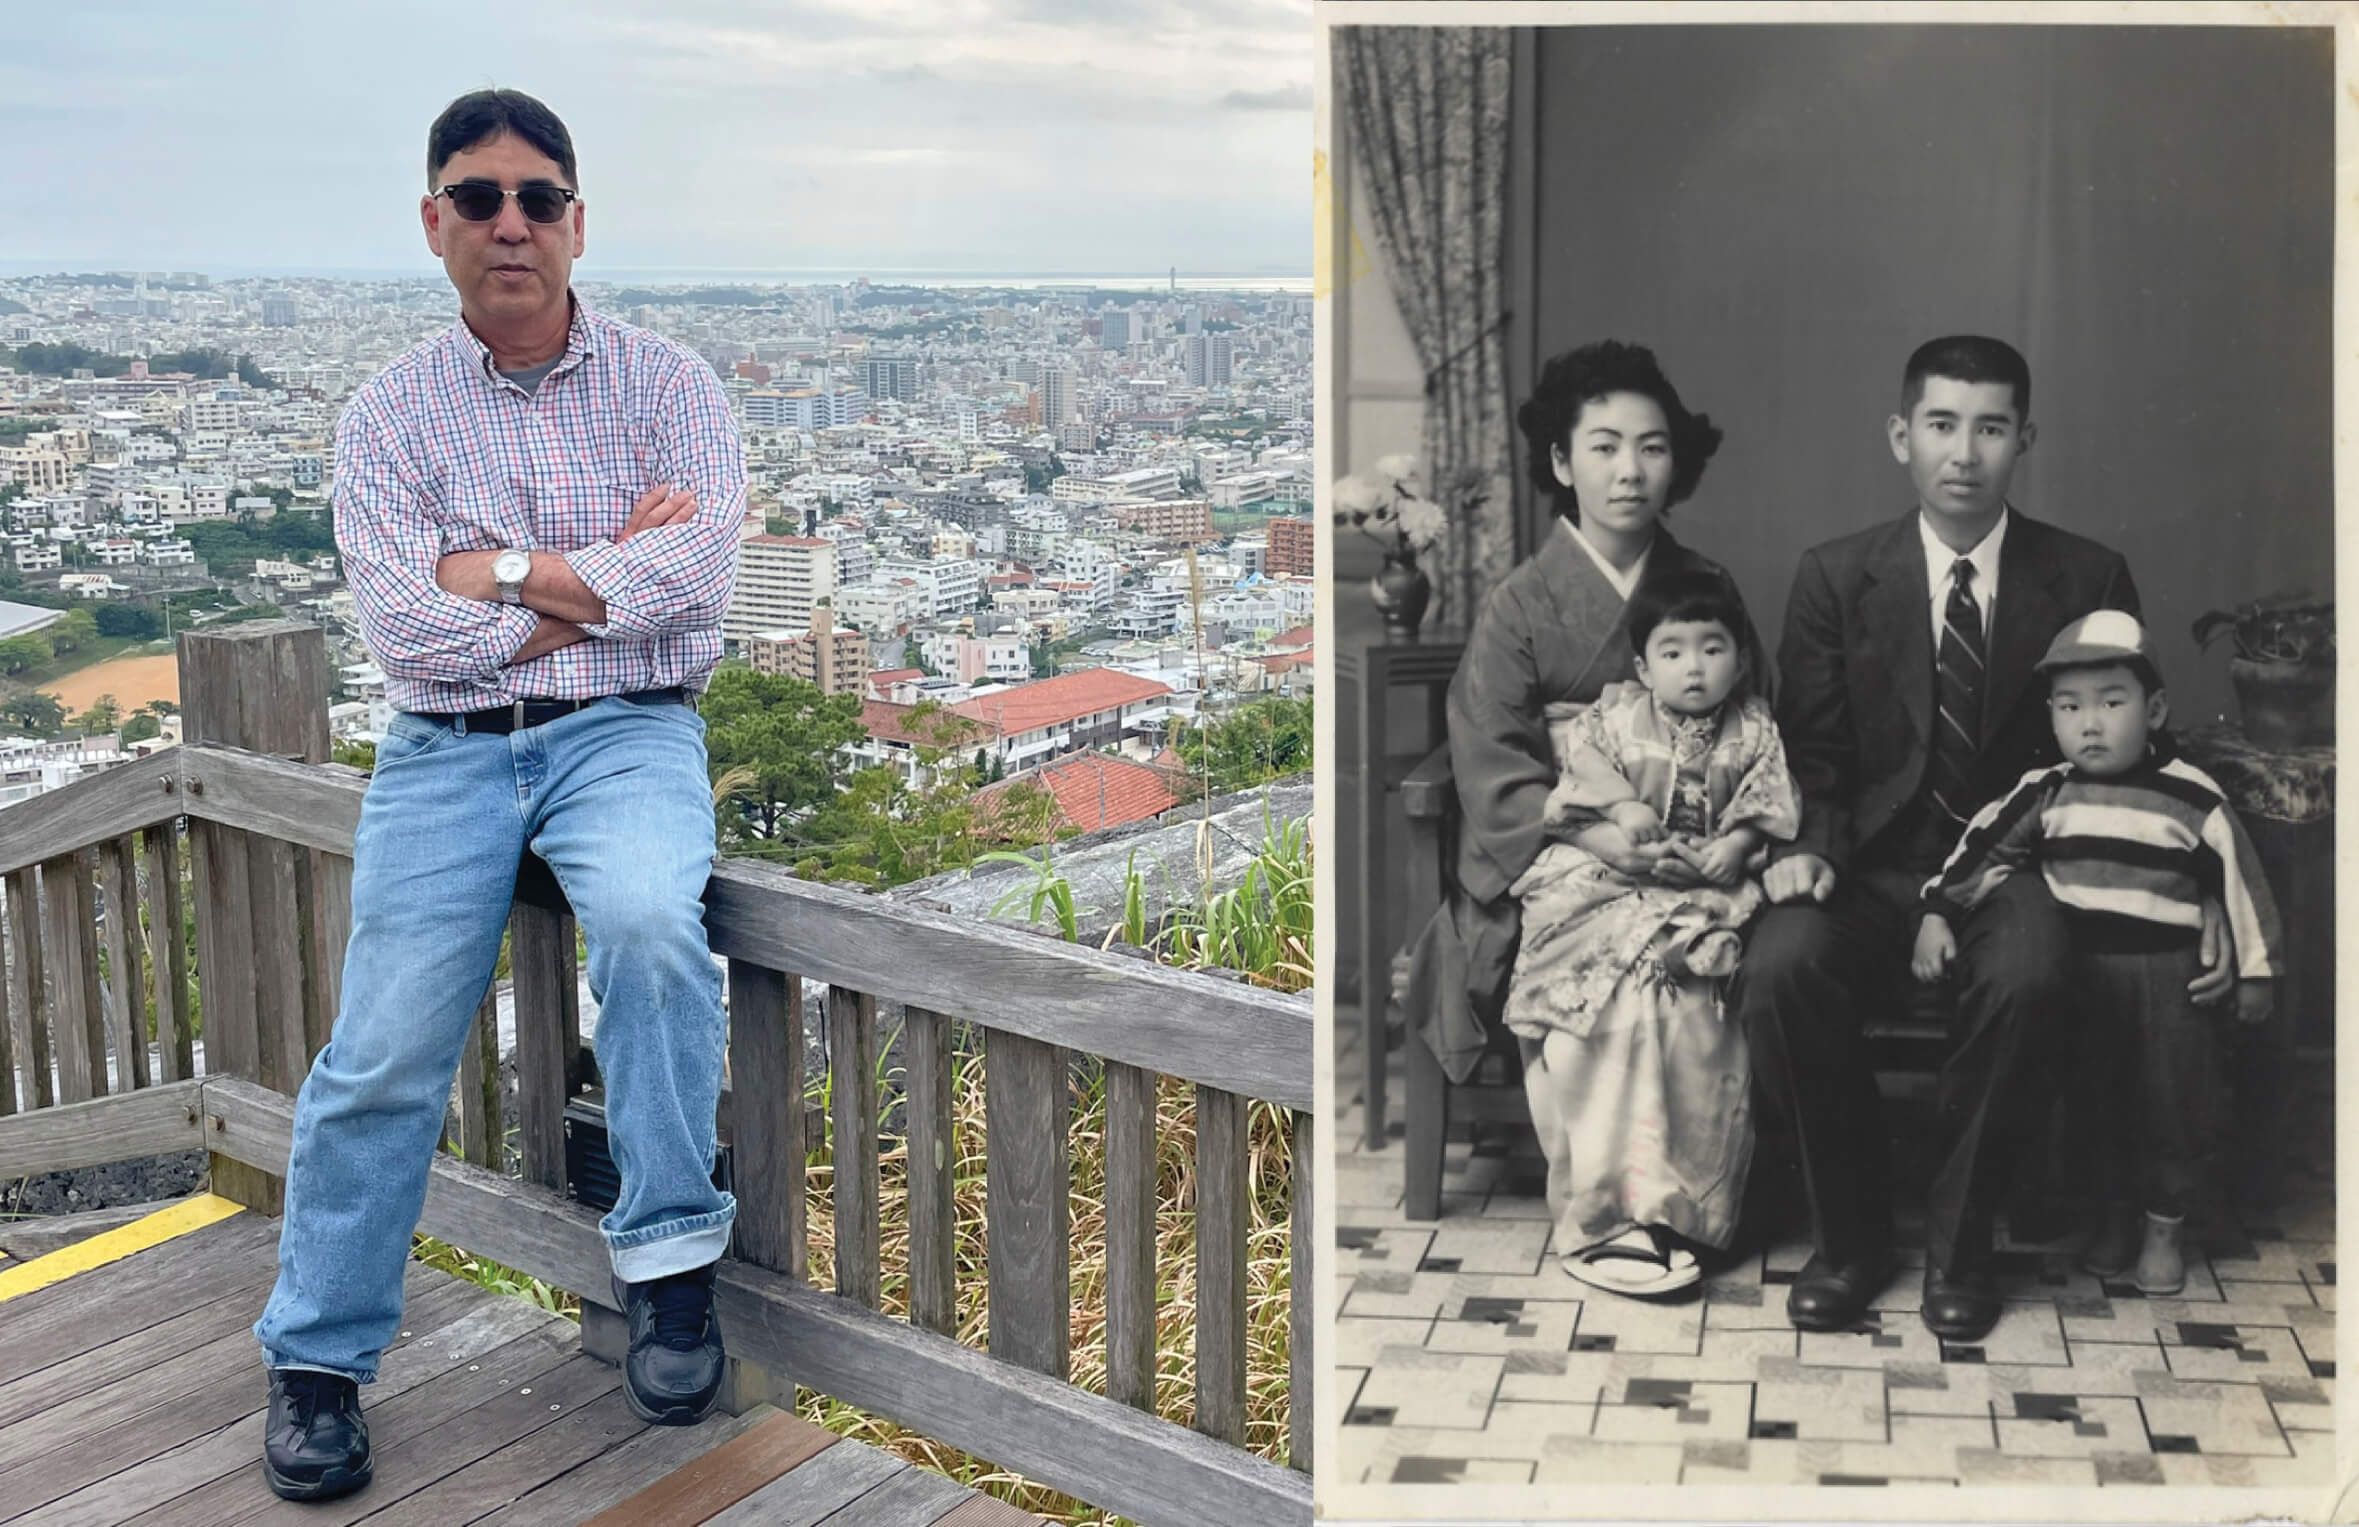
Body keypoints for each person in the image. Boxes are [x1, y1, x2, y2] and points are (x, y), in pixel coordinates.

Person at [253, 89, 745, 1502]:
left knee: (655, 932)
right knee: (387, 1043)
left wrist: (503, 567)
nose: (511, 223)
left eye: (538, 197)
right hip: (445, 741)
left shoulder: (671, 386)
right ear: (434, 225)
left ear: (578, 221)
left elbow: (698, 592)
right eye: (479, 199)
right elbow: (409, 636)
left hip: (629, 733)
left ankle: (668, 1263)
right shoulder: (390, 414)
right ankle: (318, 1358)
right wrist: (597, 570)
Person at [1727, 335, 2227, 1343]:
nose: (1965, 453)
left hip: (2018, 865)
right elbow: (1815, 754)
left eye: (1990, 428)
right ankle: (1852, 1238)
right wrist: (1810, 847)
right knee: (1780, 967)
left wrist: (2205, 890)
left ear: (2023, 439)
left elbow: (2133, 753)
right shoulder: (1835, 576)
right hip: (1872, 868)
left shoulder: (2085, 573)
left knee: (2035, 971)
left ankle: (1961, 1247)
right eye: (1942, 426)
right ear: (1899, 436)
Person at [1400, 340, 1770, 1236]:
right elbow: (1491, 756)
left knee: (1693, 979)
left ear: (1674, 461)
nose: (1628, 470)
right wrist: (1599, 833)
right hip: (1564, 850)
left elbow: (1752, 729)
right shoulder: (1521, 603)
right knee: (1606, 984)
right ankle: (1607, 1214)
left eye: (1650, 446)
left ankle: (1689, 1211)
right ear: (1562, 464)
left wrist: (1713, 835)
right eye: (1602, 446)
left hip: (1692, 841)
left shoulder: (1705, 588)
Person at [1913, 611, 2280, 1295]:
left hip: (2169, 981)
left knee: (2171, 1104)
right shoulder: (2046, 792)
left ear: (2155, 709)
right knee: (2095, 1104)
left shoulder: (2191, 797)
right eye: (2069, 706)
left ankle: (2163, 1230)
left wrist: (2255, 973)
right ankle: (2110, 1218)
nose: (2090, 723)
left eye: (2112, 703)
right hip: (2084, 979)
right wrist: (1937, 912)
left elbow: (2240, 885)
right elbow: (1982, 852)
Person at [1502, 570, 1799, 1296]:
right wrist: (1622, 813)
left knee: (1693, 1018)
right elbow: (1584, 777)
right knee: (1591, 1019)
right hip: (1605, 886)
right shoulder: (1612, 718)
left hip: (1702, 896)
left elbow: (1767, 807)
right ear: (1641, 666)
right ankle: (1600, 1220)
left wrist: (1738, 843)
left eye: (1711, 648)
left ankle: (1678, 1216)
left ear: (1739, 658)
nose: (1693, 667)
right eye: (1672, 652)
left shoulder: (1754, 725)